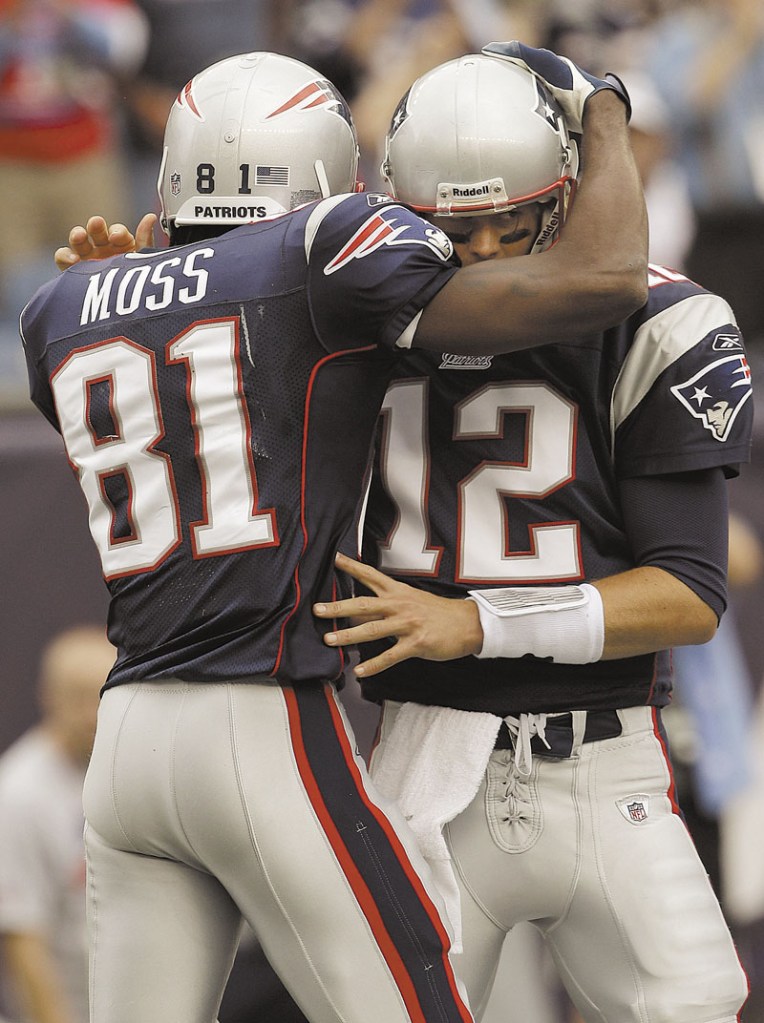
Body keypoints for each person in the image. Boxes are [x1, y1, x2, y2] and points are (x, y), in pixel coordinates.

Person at [32, 45, 646, 1023]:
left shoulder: (56, 307)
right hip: (260, 722)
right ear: (320, 174)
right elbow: (605, 280)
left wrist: (148, 277)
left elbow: (197, 363)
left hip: (126, 751)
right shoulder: (322, 243)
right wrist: (603, 107)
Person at [310, 48, 753, 1021]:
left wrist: (475, 623)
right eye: (449, 229)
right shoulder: (349, 310)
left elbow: (686, 596)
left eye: (506, 224)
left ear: (562, 194)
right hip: (420, 760)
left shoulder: (658, 320)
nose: (476, 256)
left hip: (603, 763)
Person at [0, 626, 115, 1023]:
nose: (91, 714)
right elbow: (22, 938)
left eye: (102, 696)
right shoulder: (19, 794)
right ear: (48, 695)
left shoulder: (130, 771)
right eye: (77, 696)